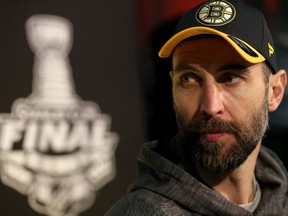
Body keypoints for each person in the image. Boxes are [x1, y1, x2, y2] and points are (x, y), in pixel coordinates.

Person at [106, 0, 288, 215]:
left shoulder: (279, 195)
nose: (211, 106)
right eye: (189, 79)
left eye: (230, 78)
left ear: (274, 92)